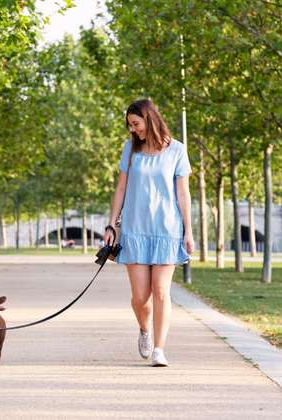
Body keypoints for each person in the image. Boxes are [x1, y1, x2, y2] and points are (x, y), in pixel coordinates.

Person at [103, 99, 194, 367]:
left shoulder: (177, 150)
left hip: (167, 230)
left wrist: (188, 231)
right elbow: (120, 189)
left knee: (161, 291)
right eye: (130, 125)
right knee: (140, 297)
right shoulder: (130, 150)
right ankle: (144, 329)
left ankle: (159, 349)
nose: (132, 130)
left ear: (149, 119)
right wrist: (111, 225)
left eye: (135, 124)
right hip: (135, 230)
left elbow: (183, 193)